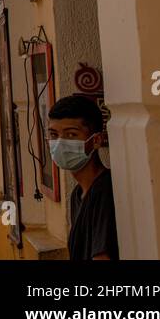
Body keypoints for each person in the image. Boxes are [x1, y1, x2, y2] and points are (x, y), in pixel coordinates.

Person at [47, 94, 119, 260]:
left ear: (96, 140)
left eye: (71, 135)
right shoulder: (77, 195)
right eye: (53, 135)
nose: (60, 143)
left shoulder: (105, 192)